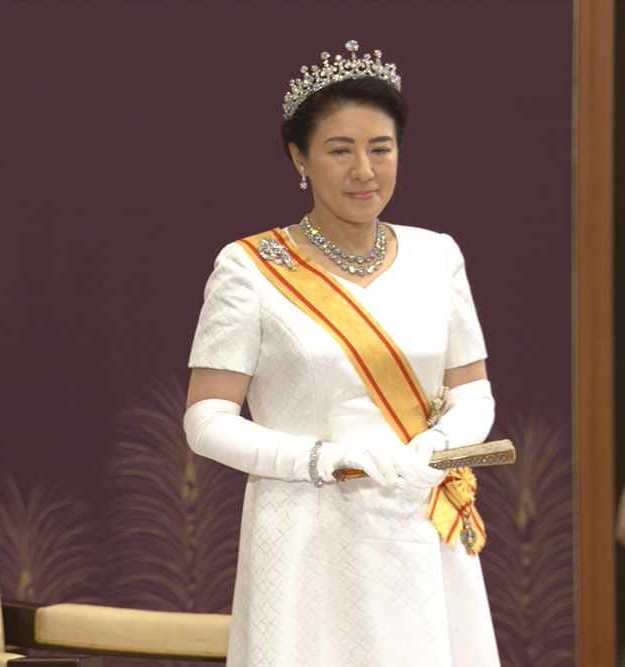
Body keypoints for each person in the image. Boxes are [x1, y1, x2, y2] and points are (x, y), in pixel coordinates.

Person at [183, 41, 500, 666]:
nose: (364, 171)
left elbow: (472, 391)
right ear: (298, 157)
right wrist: (327, 458)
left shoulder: (437, 255)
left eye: (380, 149)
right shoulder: (249, 268)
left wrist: (441, 447)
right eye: (339, 150)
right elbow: (205, 420)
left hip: (422, 517)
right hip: (307, 532)